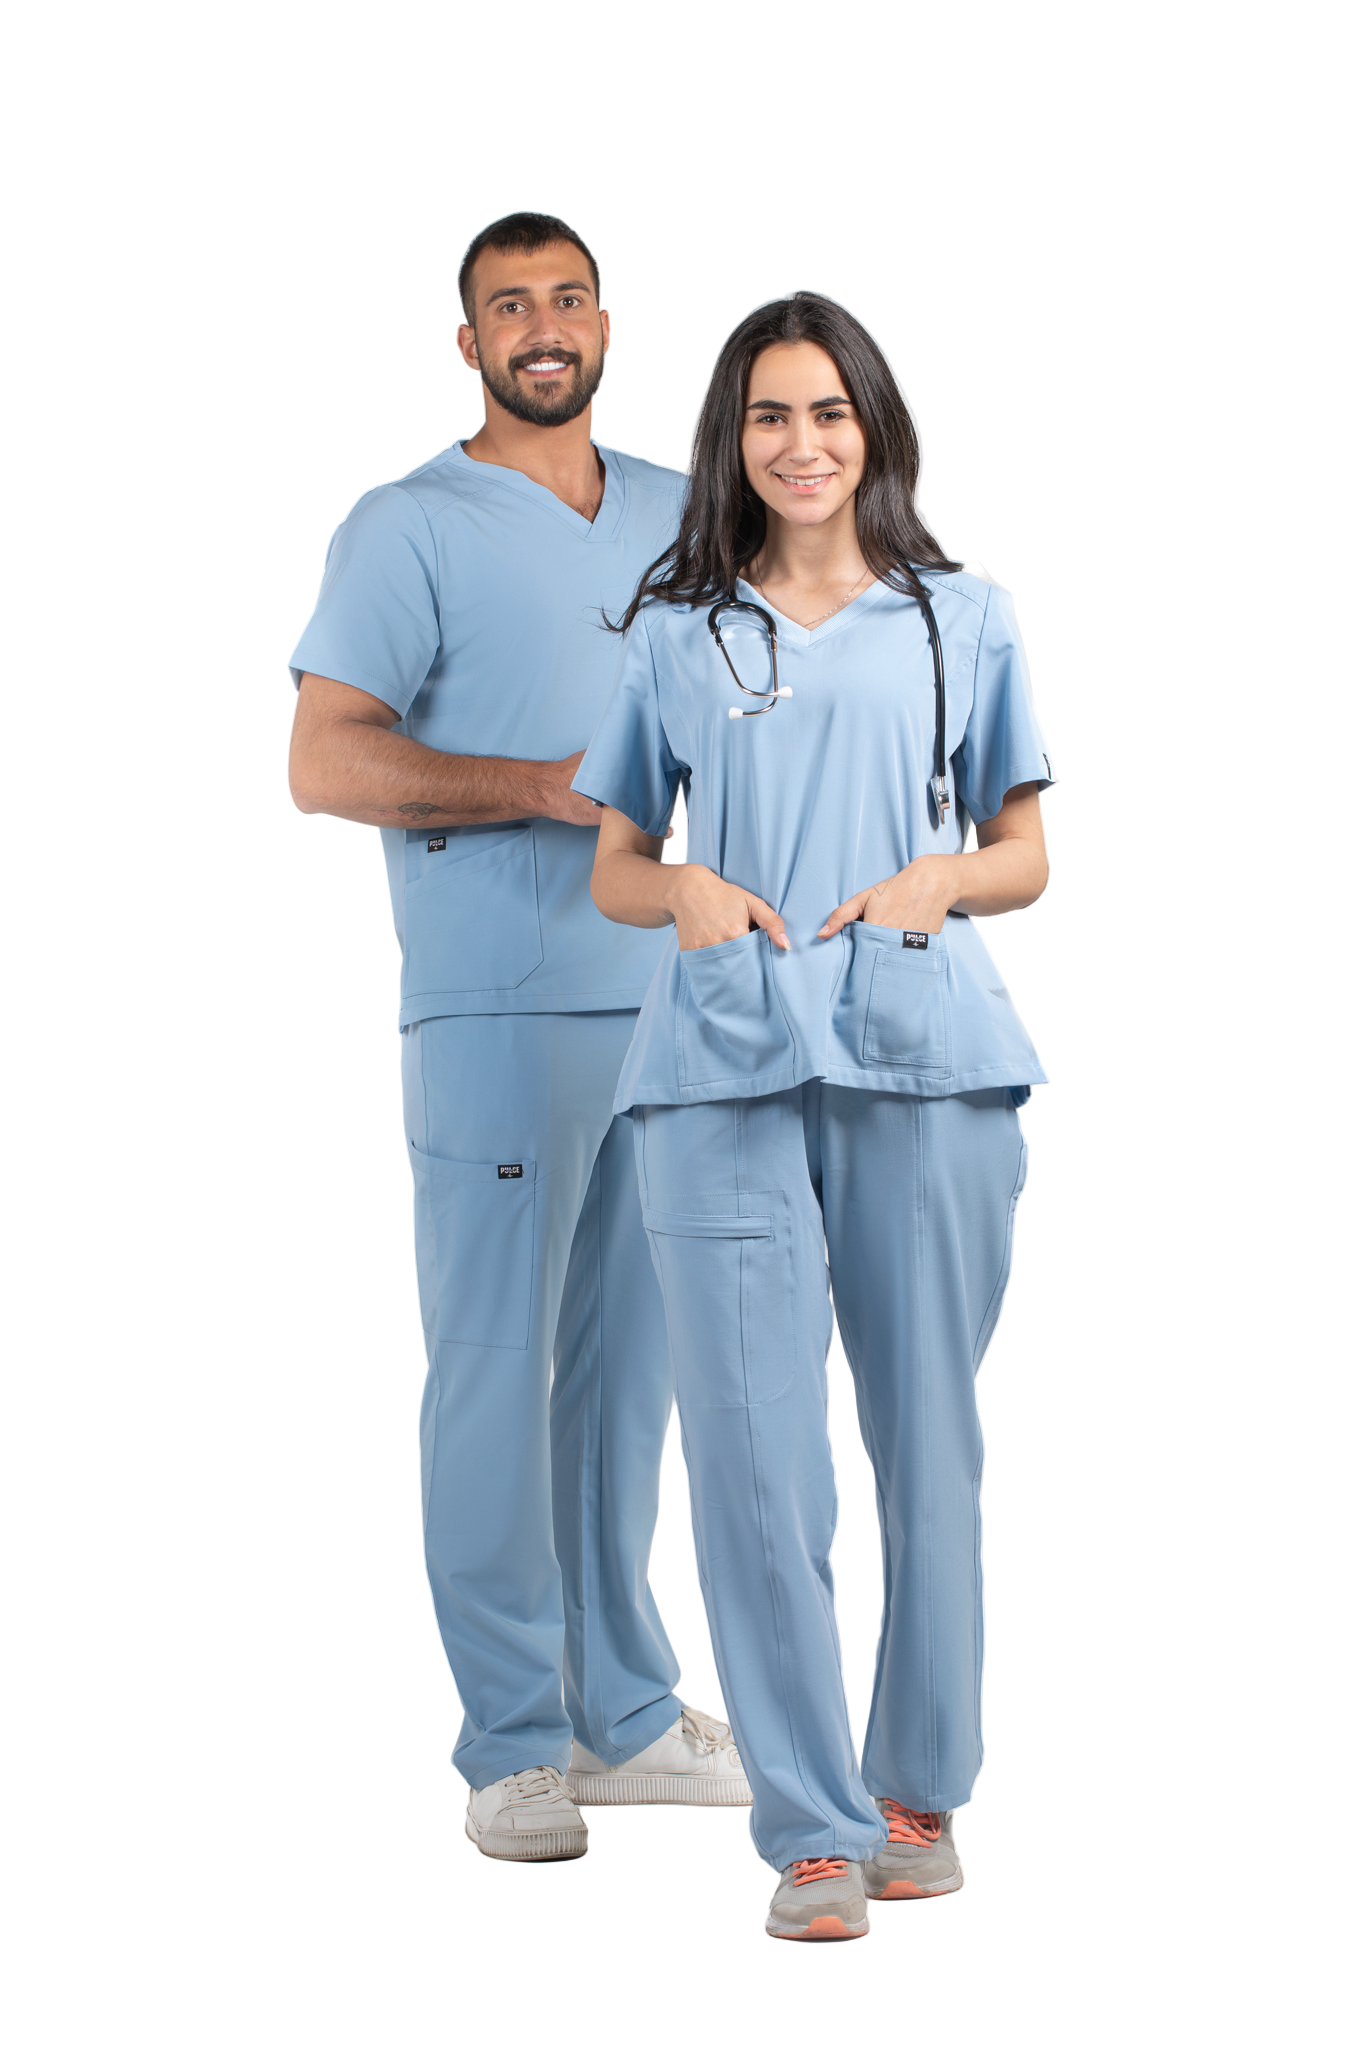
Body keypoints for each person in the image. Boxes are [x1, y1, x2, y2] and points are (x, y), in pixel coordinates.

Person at [573, 292, 1052, 1935]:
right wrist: (687, 888)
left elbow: (1027, 853)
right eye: (771, 416)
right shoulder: (676, 631)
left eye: (830, 412)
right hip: (719, 1063)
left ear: (874, 429)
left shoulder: (960, 618)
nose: (802, 443)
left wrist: (941, 875)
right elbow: (616, 863)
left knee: (928, 1443)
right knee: (757, 1462)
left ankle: (920, 1783)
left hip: (926, 1053)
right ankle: (815, 1830)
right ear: (735, 438)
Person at [287, 212, 748, 1864]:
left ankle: (620, 1715)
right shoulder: (408, 527)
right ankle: (509, 1740)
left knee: (630, 1379)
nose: (541, 327)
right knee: (495, 1369)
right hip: (496, 1006)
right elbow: (327, 762)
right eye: (508, 307)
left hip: (668, 1004)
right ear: (467, 341)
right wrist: (541, 789)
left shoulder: (672, 511)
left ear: (605, 322)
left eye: (564, 299)